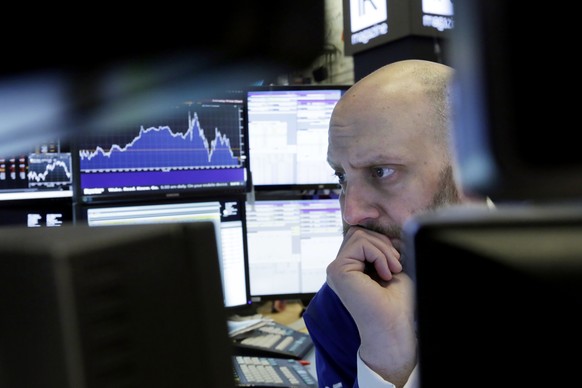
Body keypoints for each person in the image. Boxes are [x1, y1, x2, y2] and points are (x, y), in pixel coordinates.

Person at [302, 59, 487, 388]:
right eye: (341, 176)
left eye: (381, 171)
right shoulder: (344, 306)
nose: (352, 213)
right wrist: (387, 359)